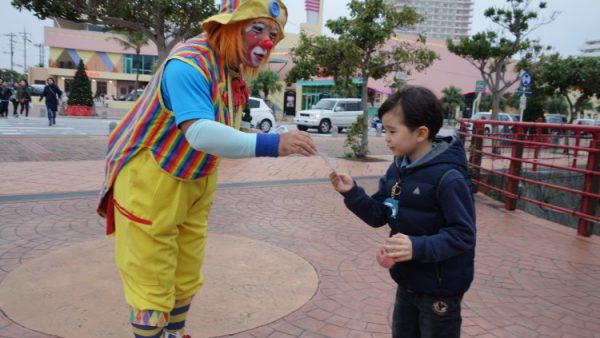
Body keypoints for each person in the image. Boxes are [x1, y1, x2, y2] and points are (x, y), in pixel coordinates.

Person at [96, 1, 316, 337]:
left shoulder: (230, 68)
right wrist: (271, 144)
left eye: (273, 33)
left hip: (196, 179)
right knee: (151, 280)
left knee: (186, 272)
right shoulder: (188, 64)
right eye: (257, 29)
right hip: (151, 180)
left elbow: (221, 130)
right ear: (228, 26)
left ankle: (175, 333)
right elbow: (198, 132)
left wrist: (271, 139)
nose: (267, 41)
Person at [329, 86, 476, 338]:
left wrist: (416, 247)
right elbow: (379, 214)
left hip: (440, 290)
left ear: (420, 133)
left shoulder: (449, 178)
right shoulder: (398, 168)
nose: (386, 137)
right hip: (407, 281)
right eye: (385, 129)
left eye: (392, 131)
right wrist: (352, 192)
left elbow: (463, 234)